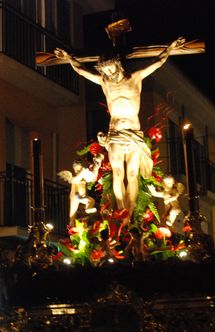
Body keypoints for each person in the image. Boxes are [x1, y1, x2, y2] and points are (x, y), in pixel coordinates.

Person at [55, 37, 186, 216]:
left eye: (112, 69)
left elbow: (157, 62)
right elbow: (81, 71)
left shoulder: (135, 77)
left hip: (133, 134)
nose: (110, 74)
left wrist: (170, 48)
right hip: (115, 133)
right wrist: (69, 57)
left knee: (132, 174)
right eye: (107, 72)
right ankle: (121, 210)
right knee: (118, 173)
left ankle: (130, 213)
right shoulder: (105, 82)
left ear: (118, 65)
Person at [58, 154, 103, 225]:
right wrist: (83, 173)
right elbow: (75, 179)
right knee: (73, 214)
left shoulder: (83, 175)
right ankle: (73, 224)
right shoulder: (77, 177)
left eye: (79, 169)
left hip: (80, 196)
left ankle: (87, 210)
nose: (78, 171)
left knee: (90, 201)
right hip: (76, 195)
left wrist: (96, 166)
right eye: (77, 170)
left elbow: (93, 177)